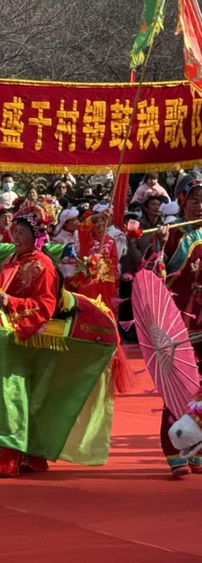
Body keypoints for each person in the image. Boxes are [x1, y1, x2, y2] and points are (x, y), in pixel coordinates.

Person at [0, 200, 60, 477]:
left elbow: (46, 305)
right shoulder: (11, 259)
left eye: (23, 232)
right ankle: (26, 456)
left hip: (29, 340)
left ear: (36, 236)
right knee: (11, 397)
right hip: (6, 335)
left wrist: (11, 302)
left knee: (14, 397)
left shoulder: (43, 266)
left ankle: (7, 457)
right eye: (15, 231)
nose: (16, 237)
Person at [156, 172, 202, 477]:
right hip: (180, 323)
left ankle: (196, 447)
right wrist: (158, 245)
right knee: (179, 389)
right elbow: (152, 273)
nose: (200, 206)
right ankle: (174, 448)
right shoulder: (172, 235)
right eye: (195, 200)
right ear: (182, 202)